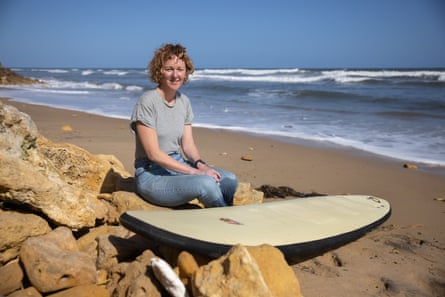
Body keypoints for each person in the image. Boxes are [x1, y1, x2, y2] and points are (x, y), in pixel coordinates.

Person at [130, 43, 238, 208]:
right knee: (206, 184)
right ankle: (225, 220)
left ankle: (222, 212)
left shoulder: (184, 101)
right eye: (169, 69)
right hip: (151, 173)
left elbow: (187, 145)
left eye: (180, 69)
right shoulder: (147, 101)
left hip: (178, 163)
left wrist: (201, 166)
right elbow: (153, 154)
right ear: (159, 71)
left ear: (186, 72)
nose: (175, 75)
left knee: (230, 180)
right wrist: (196, 173)